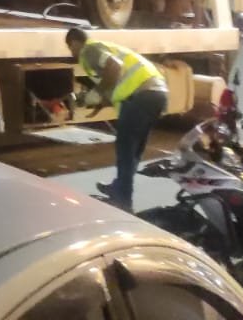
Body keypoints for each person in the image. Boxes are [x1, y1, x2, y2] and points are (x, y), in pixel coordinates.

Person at [66, 28, 169, 210]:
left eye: (70, 47)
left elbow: (114, 67)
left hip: (140, 96)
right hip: (157, 94)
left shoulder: (89, 50)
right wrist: (100, 103)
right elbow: (116, 82)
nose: (71, 52)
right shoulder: (106, 47)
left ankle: (123, 199)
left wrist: (97, 92)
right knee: (134, 150)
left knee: (125, 149)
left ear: (74, 42)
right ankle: (119, 187)